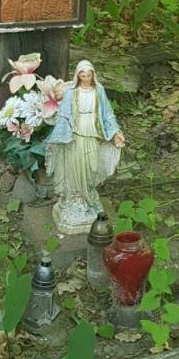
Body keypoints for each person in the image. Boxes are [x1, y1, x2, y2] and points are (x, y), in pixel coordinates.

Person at [46, 60, 125, 235]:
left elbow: (107, 113)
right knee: (75, 166)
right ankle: (76, 198)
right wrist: (60, 132)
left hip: (92, 131)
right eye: (83, 75)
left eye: (89, 75)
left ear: (93, 75)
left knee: (92, 165)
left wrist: (115, 132)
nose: (86, 78)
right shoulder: (71, 92)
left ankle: (89, 194)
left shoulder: (99, 90)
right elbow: (64, 115)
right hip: (75, 134)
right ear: (78, 76)